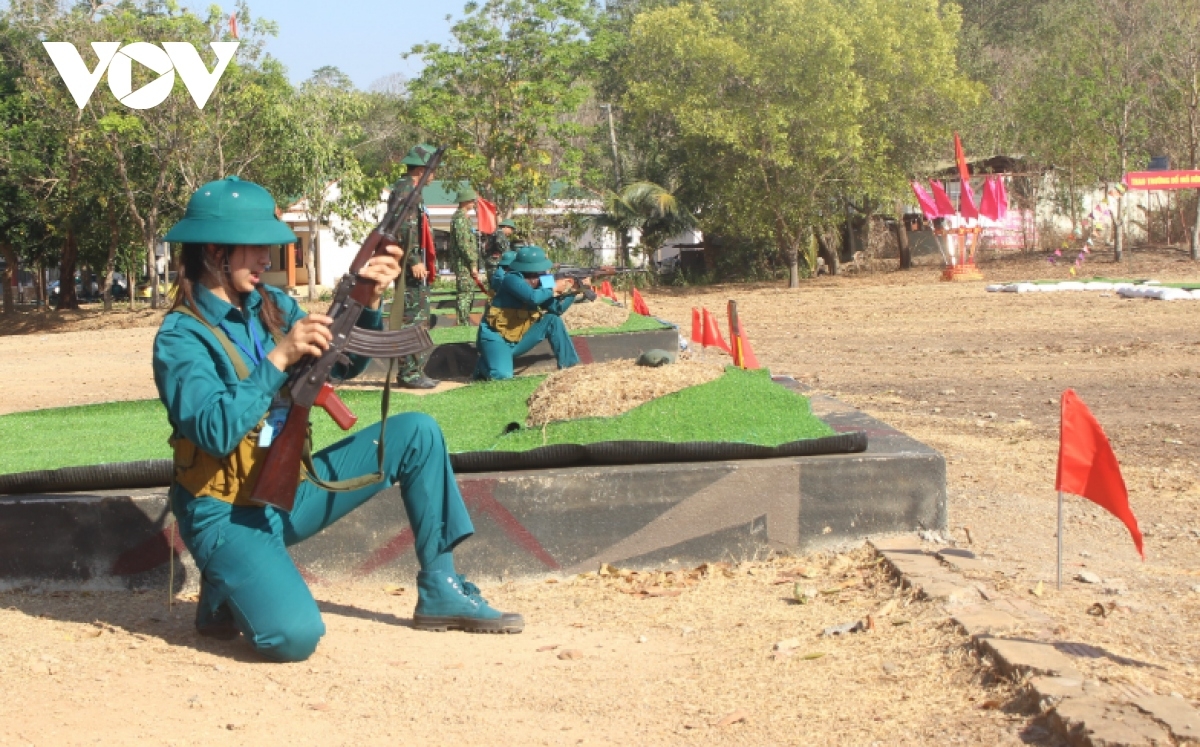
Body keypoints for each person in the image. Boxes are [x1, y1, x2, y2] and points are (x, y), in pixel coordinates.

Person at [153, 176, 524, 663]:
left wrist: (365, 302)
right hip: (222, 511)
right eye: (257, 248)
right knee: (294, 636)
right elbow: (215, 430)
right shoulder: (181, 337)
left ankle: (440, 587)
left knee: (416, 433)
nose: (269, 259)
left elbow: (343, 363)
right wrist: (278, 360)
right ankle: (227, 582)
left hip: (283, 492)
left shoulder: (268, 306)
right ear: (216, 250)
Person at [474, 245, 585, 380]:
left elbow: (556, 309)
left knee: (552, 319)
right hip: (496, 337)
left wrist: (574, 291)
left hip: (519, 337)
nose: (545, 270)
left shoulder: (544, 279)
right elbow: (532, 297)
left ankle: (570, 367)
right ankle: (483, 365)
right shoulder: (511, 278)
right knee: (503, 376)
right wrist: (553, 288)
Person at [389, 144, 439, 389]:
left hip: (412, 263)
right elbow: (404, 228)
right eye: (432, 170)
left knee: (420, 318)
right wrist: (414, 261)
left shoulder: (410, 190)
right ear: (421, 168)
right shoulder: (407, 189)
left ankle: (415, 370)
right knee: (413, 318)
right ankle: (409, 373)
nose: (434, 175)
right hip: (410, 266)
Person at [448, 187, 482, 325]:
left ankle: (465, 319)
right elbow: (464, 244)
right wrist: (472, 262)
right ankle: (463, 322)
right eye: (472, 201)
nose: (474, 203)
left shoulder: (465, 218)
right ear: (465, 201)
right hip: (464, 263)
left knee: (469, 292)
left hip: (466, 262)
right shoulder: (460, 219)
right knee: (465, 293)